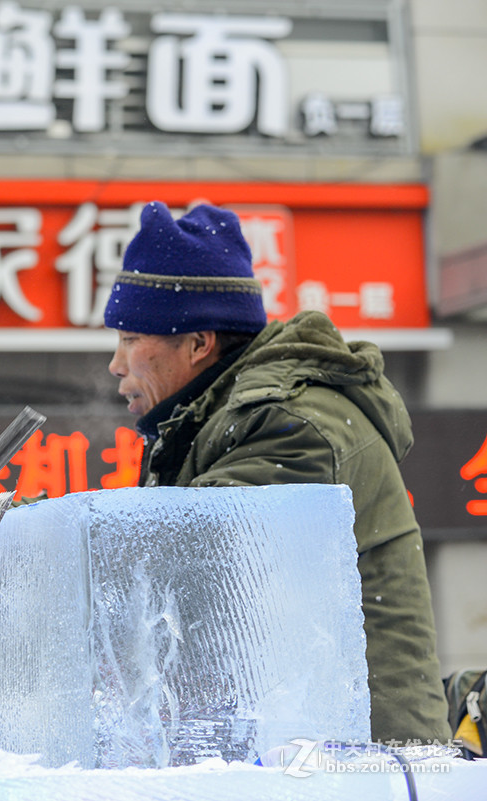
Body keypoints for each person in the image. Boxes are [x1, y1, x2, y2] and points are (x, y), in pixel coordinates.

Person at [103, 200, 451, 743]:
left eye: (130, 340)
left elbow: (184, 556)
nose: (116, 365)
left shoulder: (295, 423)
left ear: (199, 344)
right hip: (308, 750)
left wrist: (16, 532)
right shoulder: (214, 421)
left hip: (363, 757)